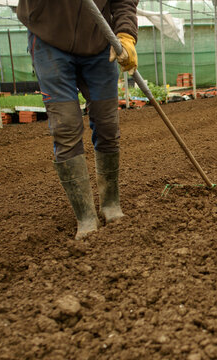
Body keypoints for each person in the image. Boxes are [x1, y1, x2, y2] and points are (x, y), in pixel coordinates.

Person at [17, 0, 139, 239]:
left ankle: (110, 203)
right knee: (65, 125)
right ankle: (85, 215)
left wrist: (125, 34)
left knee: (107, 124)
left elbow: (124, 1)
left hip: (99, 42)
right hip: (48, 37)